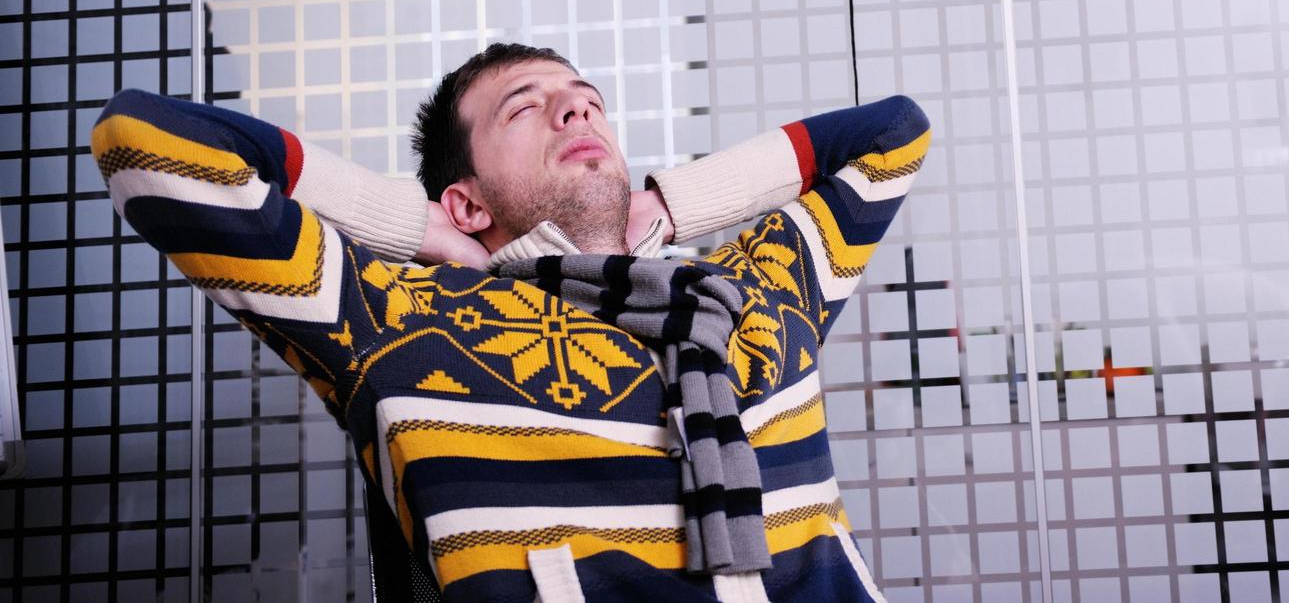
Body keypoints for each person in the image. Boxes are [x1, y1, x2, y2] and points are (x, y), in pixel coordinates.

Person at [91, 42, 930, 602]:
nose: (577, 113)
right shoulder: (396, 320)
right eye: (525, 108)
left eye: (587, 100)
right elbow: (145, 141)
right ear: (466, 198)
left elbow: (893, 137)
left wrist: (672, 206)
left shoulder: (745, 295)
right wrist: (411, 225)